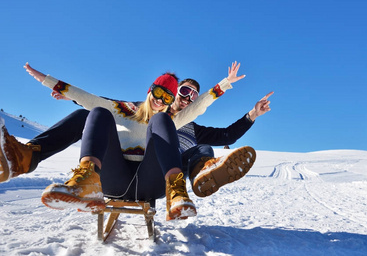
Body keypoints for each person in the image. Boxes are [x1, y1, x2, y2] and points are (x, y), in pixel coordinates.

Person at [0, 61, 244, 220]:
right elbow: (88, 97)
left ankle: (177, 191)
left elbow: (199, 107)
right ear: (150, 90)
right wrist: (47, 80)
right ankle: (29, 158)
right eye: (158, 93)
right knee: (94, 112)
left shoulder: (170, 120)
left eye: (166, 97)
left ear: (171, 102)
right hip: (114, 179)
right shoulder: (122, 109)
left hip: (151, 182)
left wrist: (224, 85)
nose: (160, 101)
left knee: (161, 122)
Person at [168, 78, 273, 197]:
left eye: (193, 96)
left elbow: (227, 136)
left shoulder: (193, 130)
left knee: (204, 149)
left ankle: (203, 176)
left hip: (173, 176)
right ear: (175, 91)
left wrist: (253, 114)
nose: (187, 98)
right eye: (185, 91)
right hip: (150, 166)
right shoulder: (154, 114)